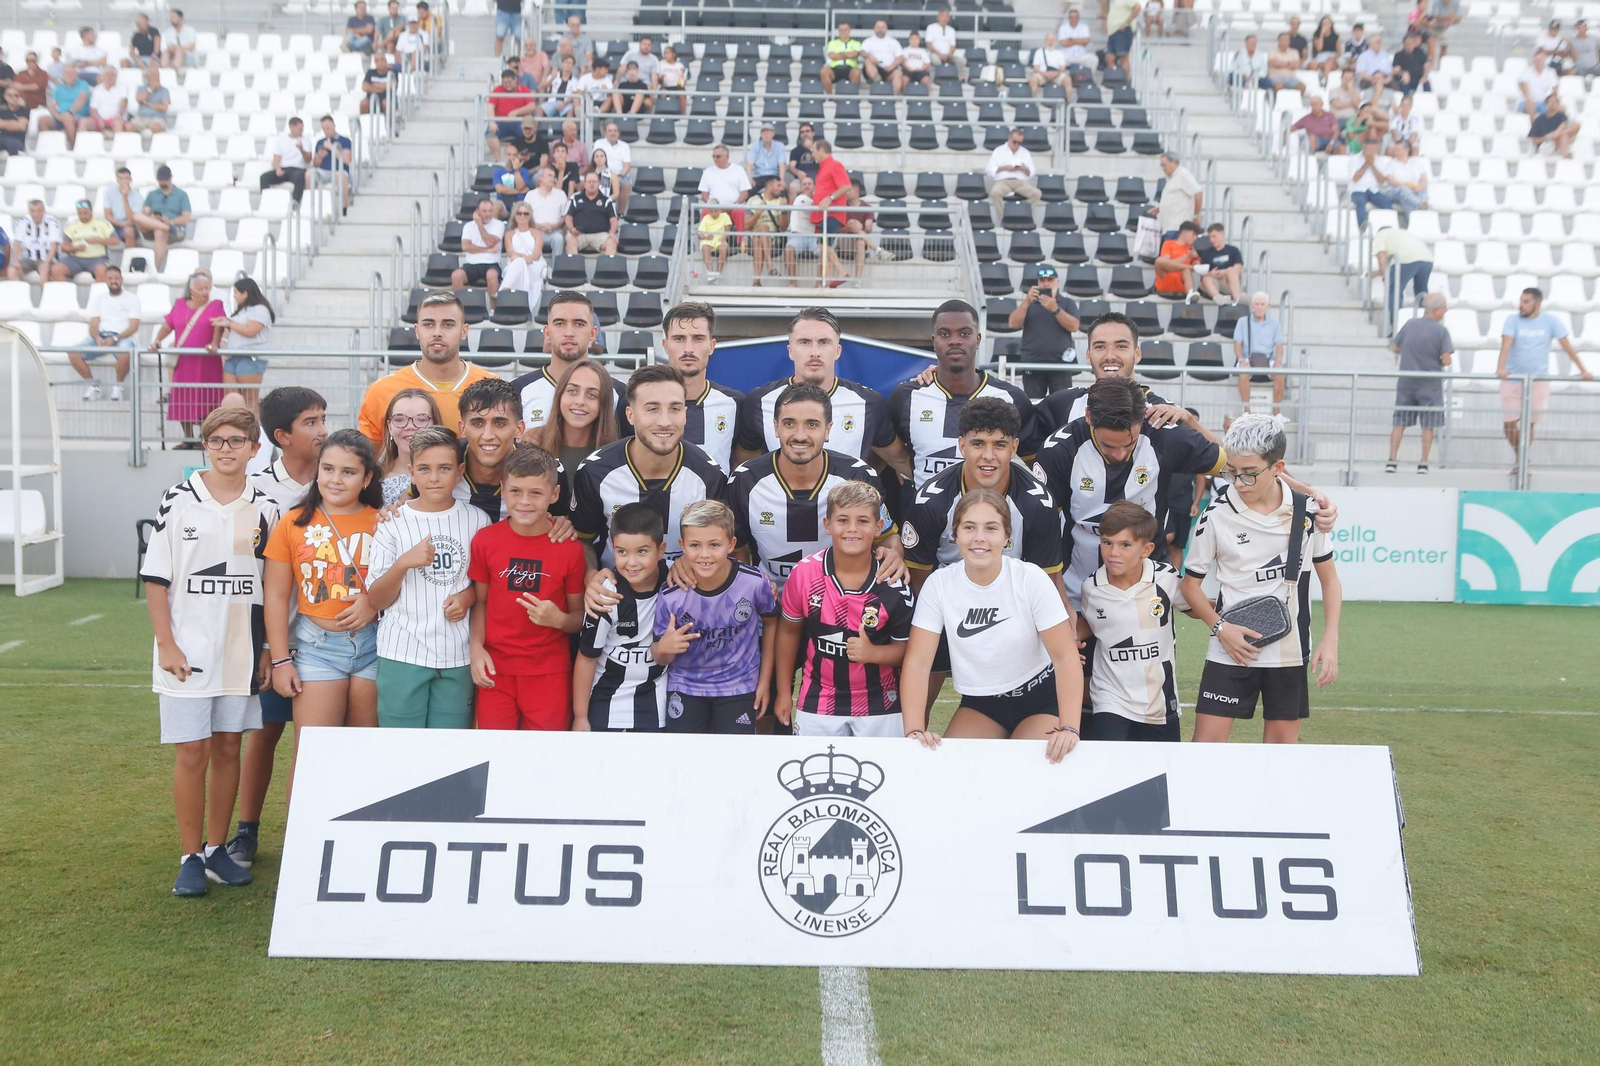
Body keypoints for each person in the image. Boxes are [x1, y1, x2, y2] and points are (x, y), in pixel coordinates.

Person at [140, 405, 277, 897]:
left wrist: (265, 648)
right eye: (216, 440)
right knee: (192, 752)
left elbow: (270, 584)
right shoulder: (177, 499)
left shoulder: (265, 506)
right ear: (206, 445)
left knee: (227, 748)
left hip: (241, 653)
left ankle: (218, 849)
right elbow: (157, 578)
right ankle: (190, 856)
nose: (225, 448)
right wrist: (166, 643)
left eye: (236, 441)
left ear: (254, 449)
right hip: (187, 653)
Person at [1182, 415, 1341, 743]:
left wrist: (1331, 638)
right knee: (1203, 754)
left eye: (1250, 474)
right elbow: (1190, 586)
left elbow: (1330, 580)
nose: (1239, 483)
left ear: (1278, 467)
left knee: (1280, 757)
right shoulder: (1215, 514)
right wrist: (1220, 628)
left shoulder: (1309, 513)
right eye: (1232, 472)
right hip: (1230, 650)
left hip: (1290, 652)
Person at [222, 387, 328, 869]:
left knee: (324, 742)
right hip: (275, 637)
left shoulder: (339, 476)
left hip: (331, 637)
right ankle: (246, 831)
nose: (322, 430)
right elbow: (252, 571)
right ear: (282, 436)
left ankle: (321, 832)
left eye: (324, 419)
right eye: (311, 422)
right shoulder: (258, 488)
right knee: (264, 732)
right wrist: (266, 644)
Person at [899, 488, 1081, 760]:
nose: (979, 538)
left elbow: (1065, 657)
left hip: (1039, 701)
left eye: (991, 528)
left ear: (1007, 536)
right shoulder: (939, 584)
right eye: (969, 527)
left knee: (1025, 771)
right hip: (981, 705)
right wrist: (913, 731)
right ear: (955, 534)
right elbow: (917, 663)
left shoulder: (1029, 579)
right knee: (952, 772)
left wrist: (1069, 728)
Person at [264, 430, 384, 809]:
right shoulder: (293, 523)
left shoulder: (385, 521)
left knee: (367, 752)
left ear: (367, 479)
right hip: (316, 649)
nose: (335, 479)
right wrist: (281, 659)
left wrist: (374, 604)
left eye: (349, 472)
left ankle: (360, 844)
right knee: (312, 753)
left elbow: (400, 587)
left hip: (374, 646)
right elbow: (277, 595)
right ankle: (301, 851)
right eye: (328, 468)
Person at [1034, 375, 1223, 612]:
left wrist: (1190, 421)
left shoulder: (1167, 436)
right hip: (1076, 593)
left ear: (1143, 417)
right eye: (1109, 446)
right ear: (1089, 417)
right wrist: (1062, 604)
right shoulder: (1059, 450)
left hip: (1149, 591)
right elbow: (1043, 536)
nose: (1121, 455)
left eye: (1129, 444)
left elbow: (1237, 466)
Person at [364, 425, 489, 730]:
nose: (434, 477)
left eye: (444, 468)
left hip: (456, 656)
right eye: (424, 469)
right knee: (401, 750)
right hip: (402, 654)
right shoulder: (393, 522)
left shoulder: (477, 520)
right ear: (411, 472)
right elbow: (376, 599)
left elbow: (483, 587)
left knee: (449, 752)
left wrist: (466, 596)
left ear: (459, 471)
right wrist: (403, 564)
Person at [728, 382, 901, 592]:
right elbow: (735, 548)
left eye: (812, 424)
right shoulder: (745, 480)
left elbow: (887, 537)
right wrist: (753, 587)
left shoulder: (858, 476)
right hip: (773, 603)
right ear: (776, 427)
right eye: (789, 423)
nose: (800, 435)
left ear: (827, 429)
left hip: (839, 603)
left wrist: (893, 554)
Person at [774, 481, 914, 736]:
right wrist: (784, 692)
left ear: (878, 526)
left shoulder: (894, 582)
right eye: (843, 520)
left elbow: (908, 649)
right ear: (828, 525)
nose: (852, 529)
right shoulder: (804, 574)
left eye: (862, 521)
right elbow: (788, 633)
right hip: (818, 698)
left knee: (882, 775)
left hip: (881, 702)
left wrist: (873, 654)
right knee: (814, 773)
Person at [573, 365, 729, 567]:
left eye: (675, 409)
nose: (664, 421)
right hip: (616, 592)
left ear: (685, 413)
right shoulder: (594, 472)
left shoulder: (710, 476)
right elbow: (582, 540)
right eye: (652, 409)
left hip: (687, 592)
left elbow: (720, 547)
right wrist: (591, 576)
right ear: (630, 415)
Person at [651, 500, 777, 734]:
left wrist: (764, 682)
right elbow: (659, 654)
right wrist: (664, 649)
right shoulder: (671, 594)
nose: (705, 554)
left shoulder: (754, 582)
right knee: (686, 759)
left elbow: (771, 623)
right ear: (682, 545)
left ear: (731, 544)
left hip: (739, 686)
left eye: (714, 545)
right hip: (686, 686)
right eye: (695, 545)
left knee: (734, 760)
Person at [735, 307, 909, 471]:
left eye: (824, 342)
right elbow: (743, 465)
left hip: (846, 503)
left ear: (838, 351)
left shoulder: (869, 403)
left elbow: (899, 460)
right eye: (804, 342)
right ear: (790, 351)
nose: (815, 352)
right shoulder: (759, 401)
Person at [1077, 501, 1183, 741]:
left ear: (1146, 550)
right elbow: (1090, 625)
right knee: (1110, 768)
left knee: (1160, 772)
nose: (1113, 553)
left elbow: (1194, 607)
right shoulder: (1092, 588)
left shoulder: (1165, 578)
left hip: (1159, 703)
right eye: (1107, 543)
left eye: (1125, 545)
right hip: (1110, 699)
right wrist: (1068, 640)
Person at [574, 503, 670, 731]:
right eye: (622, 552)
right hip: (607, 700)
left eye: (642, 551)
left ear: (661, 550)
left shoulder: (675, 584)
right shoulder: (606, 594)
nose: (632, 562)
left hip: (657, 700)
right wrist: (580, 716)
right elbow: (586, 658)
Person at [357, 291, 499, 445]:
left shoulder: (491, 387)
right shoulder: (382, 390)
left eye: (448, 325)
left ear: (464, 331)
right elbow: (365, 461)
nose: (437, 333)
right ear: (417, 331)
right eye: (428, 325)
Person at [1497, 287, 1592, 474]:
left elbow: (1568, 347)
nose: (1521, 305)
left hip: (1538, 380)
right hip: (1514, 380)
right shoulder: (1512, 320)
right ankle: (1523, 456)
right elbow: (1506, 344)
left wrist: (1583, 370)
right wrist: (1500, 367)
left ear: (1537, 303)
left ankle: (1520, 462)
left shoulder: (1551, 321)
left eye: (1526, 302)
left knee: (1529, 424)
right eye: (1521, 301)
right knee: (1509, 424)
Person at [511, 290, 629, 433]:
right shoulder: (517, 390)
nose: (569, 333)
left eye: (579, 324)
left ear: (593, 334)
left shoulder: (618, 393)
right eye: (560, 323)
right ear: (547, 333)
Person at [152, 271, 226, 443]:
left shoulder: (216, 304)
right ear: (191, 290)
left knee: (207, 397)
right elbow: (167, 326)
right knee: (183, 397)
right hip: (184, 362)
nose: (205, 291)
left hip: (206, 361)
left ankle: (203, 436)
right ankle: (187, 438)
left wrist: (215, 344)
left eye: (207, 287)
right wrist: (157, 340)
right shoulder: (179, 304)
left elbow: (218, 326)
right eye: (200, 288)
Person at [1386, 292, 1452, 474]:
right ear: (1437, 310)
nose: (1445, 312)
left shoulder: (1409, 325)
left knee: (1399, 423)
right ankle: (1423, 462)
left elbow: (1396, 347)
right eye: (1444, 308)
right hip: (1430, 385)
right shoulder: (1441, 331)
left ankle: (1392, 460)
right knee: (1428, 425)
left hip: (1406, 382)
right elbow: (1446, 360)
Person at [529, 358, 621, 477]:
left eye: (591, 395)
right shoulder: (533, 442)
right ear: (560, 395)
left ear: (603, 403)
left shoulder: (615, 456)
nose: (580, 401)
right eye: (572, 391)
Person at [67, 265, 140, 401]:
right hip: (101, 336)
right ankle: (94, 386)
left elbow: (134, 326)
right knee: (73, 353)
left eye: (116, 278)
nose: (113, 281)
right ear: (106, 280)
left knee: (126, 351)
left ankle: (118, 386)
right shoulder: (98, 299)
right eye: (110, 278)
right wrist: (97, 337)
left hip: (123, 337)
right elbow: (94, 324)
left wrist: (115, 338)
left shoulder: (132, 298)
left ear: (121, 280)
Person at [210, 277, 274, 408]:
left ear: (245, 293)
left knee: (250, 399)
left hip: (251, 358)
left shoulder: (260, 309)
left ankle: (253, 427)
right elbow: (238, 329)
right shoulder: (241, 311)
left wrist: (230, 323)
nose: (234, 296)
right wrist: (226, 323)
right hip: (233, 357)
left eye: (236, 292)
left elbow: (251, 331)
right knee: (231, 399)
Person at [377, 387, 441, 505]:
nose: (410, 426)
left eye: (421, 419)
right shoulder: (372, 479)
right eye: (400, 419)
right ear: (389, 427)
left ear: (435, 424)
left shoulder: (451, 477)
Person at [1232, 291, 1287, 416]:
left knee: (1280, 373)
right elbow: (1237, 344)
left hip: (1268, 359)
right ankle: (1246, 411)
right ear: (1252, 305)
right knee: (1243, 371)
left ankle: (1276, 412)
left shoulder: (1275, 324)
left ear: (1267, 306)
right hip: (1248, 358)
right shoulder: (1242, 322)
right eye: (1256, 304)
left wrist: (1278, 361)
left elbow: (1279, 346)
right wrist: (1241, 360)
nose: (1259, 307)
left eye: (1262, 304)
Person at [130, 165, 191, 271]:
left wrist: (171, 222)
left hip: (173, 229)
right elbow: (145, 213)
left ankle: (155, 268)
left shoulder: (181, 195)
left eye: (165, 180)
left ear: (170, 178)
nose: (163, 183)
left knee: (160, 231)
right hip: (153, 225)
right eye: (161, 180)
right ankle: (162, 226)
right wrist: (151, 216)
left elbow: (186, 217)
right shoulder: (152, 195)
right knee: (136, 216)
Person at [808, 139, 852, 286]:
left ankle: (841, 272)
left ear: (821, 150)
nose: (812, 154)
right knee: (825, 246)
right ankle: (827, 280)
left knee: (824, 245)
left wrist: (830, 198)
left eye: (814, 151)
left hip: (832, 213)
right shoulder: (824, 167)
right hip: (825, 214)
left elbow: (846, 186)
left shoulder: (834, 165)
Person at [1372, 224, 1432, 327]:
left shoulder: (1380, 235)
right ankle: (1426, 324)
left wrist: (1385, 277)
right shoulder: (1403, 233)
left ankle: (1396, 326)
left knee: (1394, 291)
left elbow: (1382, 258)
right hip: (1427, 259)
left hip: (1406, 259)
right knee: (1421, 292)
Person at [451, 198, 505, 309]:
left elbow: (490, 241)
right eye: (484, 211)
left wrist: (480, 225)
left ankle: (494, 310)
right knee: (456, 275)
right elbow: (465, 246)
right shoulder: (469, 226)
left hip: (491, 263)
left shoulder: (498, 224)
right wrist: (488, 250)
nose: (488, 214)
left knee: (492, 275)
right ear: (477, 211)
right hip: (471, 264)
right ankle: (460, 310)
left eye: (490, 211)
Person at [55, 198, 120, 282]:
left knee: (102, 272)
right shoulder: (71, 225)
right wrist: (74, 248)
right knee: (56, 270)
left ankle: (98, 294)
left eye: (85, 213)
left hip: (97, 258)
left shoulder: (102, 223)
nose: (83, 216)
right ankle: (66, 294)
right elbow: (64, 247)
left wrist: (98, 241)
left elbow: (116, 241)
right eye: (80, 213)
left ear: (91, 210)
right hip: (75, 258)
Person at [698, 143, 752, 243]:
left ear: (727, 156)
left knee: (740, 212)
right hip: (715, 208)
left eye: (718, 156)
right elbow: (704, 194)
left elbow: (745, 193)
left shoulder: (738, 170)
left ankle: (741, 244)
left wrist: (734, 205)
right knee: (705, 212)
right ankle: (708, 242)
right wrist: (714, 206)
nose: (715, 159)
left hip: (734, 206)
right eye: (713, 156)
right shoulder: (708, 172)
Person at [985, 127, 1042, 215]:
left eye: (1019, 143)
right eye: (1014, 142)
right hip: (1003, 181)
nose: (1016, 145)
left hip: (1020, 182)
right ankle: (1003, 217)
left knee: (1037, 194)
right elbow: (988, 170)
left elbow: (1032, 172)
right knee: (995, 192)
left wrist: (1024, 169)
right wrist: (1004, 168)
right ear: (1009, 138)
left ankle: (1022, 214)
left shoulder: (1025, 152)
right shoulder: (999, 151)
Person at [565, 169, 619, 256]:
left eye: (594, 181)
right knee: (570, 241)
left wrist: (612, 232)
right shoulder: (575, 198)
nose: (591, 184)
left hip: (600, 235)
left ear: (599, 184)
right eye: (589, 181)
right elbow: (568, 217)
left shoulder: (607, 200)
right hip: (579, 235)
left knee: (612, 242)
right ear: (585, 184)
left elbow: (613, 219)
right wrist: (572, 229)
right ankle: (574, 269)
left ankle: (607, 269)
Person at [746, 174, 788, 285]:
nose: (781, 188)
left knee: (760, 237)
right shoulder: (753, 200)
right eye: (778, 185)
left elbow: (783, 228)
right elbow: (746, 225)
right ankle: (770, 265)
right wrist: (758, 212)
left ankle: (756, 281)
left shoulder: (780, 201)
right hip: (753, 234)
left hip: (772, 238)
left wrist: (784, 211)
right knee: (763, 229)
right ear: (770, 186)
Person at [499, 202, 547, 299]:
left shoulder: (536, 233)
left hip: (533, 265)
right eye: (519, 213)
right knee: (519, 262)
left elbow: (537, 255)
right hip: (514, 265)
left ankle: (503, 292)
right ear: (514, 216)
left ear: (530, 217)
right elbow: (510, 253)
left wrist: (521, 257)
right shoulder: (509, 234)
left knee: (519, 261)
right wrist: (523, 258)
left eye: (525, 213)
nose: (522, 216)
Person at [261, 117, 312, 204]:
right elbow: (276, 157)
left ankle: (295, 204)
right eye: (299, 129)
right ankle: (267, 202)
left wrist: (301, 150)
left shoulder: (306, 140)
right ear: (292, 127)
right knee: (264, 177)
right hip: (284, 169)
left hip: (298, 169)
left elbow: (308, 160)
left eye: (302, 128)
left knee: (300, 177)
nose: (301, 131)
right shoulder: (282, 140)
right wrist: (277, 169)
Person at [7, 200, 61, 281]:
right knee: (12, 270)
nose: (36, 214)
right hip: (28, 258)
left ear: (44, 210)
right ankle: (19, 293)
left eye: (39, 211)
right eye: (33, 211)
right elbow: (17, 244)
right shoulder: (22, 221)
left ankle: (44, 293)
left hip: (45, 258)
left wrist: (46, 262)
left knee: (44, 270)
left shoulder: (52, 222)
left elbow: (54, 246)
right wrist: (15, 261)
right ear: (29, 211)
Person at [1152, 151, 1202, 239]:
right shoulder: (1171, 178)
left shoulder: (1183, 174)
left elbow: (1198, 192)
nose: (1163, 168)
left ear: (1174, 162)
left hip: (1177, 228)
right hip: (1168, 227)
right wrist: (1160, 208)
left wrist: (1196, 216)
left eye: (1164, 165)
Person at [311, 114, 355, 211]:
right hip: (324, 171)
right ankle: (310, 205)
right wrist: (319, 156)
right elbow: (315, 164)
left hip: (339, 171)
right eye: (324, 129)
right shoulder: (320, 142)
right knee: (309, 175)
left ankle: (344, 208)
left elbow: (347, 160)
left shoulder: (345, 141)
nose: (326, 131)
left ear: (333, 126)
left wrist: (331, 147)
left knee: (340, 176)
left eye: (328, 128)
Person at [40, 65, 90, 145]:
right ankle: (48, 146)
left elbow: (82, 98)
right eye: (67, 73)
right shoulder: (59, 88)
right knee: (42, 120)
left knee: (68, 118)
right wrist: (58, 116)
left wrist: (70, 112)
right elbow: (52, 105)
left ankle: (74, 147)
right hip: (62, 116)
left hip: (78, 116)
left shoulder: (83, 84)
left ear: (76, 74)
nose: (69, 75)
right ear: (63, 75)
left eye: (72, 73)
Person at [1196, 222, 1244, 303]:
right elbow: (1202, 274)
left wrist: (1224, 272)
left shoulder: (1233, 250)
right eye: (1209, 237)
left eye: (1214, 236)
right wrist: (1211, 274)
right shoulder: (1206, 253)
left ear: (1221, 234)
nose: (1211, 240)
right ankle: (1219, 298)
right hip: (1214, 283)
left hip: (1228, 282)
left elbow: (1238, 270)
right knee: (1206, 278)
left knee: (1231, 270)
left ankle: (1237, 299)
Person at [784, 175, 819, 284]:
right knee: (789, 249)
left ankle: (819, 283)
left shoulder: (819, 199)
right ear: (800, 188)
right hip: (798, 235)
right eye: (804, 184)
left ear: (814, 186)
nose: (807, 186)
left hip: (814, 236)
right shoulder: (799, 199)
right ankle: (793, 283)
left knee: (825, 252)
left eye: (810, 184)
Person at [523, 165, 570, 246]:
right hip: (534, 230)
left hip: (555, 231)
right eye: (549, 176)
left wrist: (555, 225)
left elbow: (565, 216)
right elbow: (525, 215)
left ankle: (556, 259)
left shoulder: (561, 194)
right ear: (540, 178)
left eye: (553, 176)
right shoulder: (530, 195)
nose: (552, 178)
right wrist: (538, 226)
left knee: (559, 239)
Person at [1154, 221, 1201, 301]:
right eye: (1193, 235)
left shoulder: (1191, 250)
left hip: (1181, 283)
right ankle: (1189, 268)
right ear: (1184, 233)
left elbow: (1198, 265)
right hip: (1166, 279)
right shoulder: (1168, 244)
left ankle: (1190, 293)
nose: (1195, 238)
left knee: (1186, 270)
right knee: (1159, 261)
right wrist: (1186, 258)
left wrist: (1196, 262)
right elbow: (1165, 264)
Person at [592, 121, 632, 215]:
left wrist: (620, 177)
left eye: (615, 131)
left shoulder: (624, 146)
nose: (612, 133)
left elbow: (627, 165)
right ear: (605, 133)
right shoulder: (599, 143)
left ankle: (619, 213)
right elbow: (595, 160)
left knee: (626, 184)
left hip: (620, 176)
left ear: (618, 133)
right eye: (610, 131)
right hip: (602, 174)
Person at [1379, 139, 1428, 214]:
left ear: (1406, 150)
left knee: (1419, 192)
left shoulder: (1416, 163)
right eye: (1395, 150)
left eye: (1398, 150)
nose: (1396, 152)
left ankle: (1414, 217)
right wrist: (1408, 186)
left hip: (1412, 191)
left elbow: (1424, 180)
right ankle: (1420, 204)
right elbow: (1392, 181)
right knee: (1402, 190)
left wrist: (1417, 188)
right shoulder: (1391, 163)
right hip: (1395, 191)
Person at [1528, 92, 1582, 157]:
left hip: (1558, 142)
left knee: (1567, 132)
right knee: (1564, 135)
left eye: (1555, 102)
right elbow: (1534, 140)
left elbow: (1561, 128)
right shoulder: (1539, 120)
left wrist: (1554, 135)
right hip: (1545, 145)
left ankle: (1565, 154)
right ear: (1546, 104)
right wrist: (1546, 138)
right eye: (1551, 102)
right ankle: (1566, 155)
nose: (1553, 104)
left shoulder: (1561, 116)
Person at [86, 67, 130, 134]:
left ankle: (119, 144)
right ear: (102, 76)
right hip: (99, 119)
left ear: (116, 76)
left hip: (116, 118)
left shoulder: (122, 87)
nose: (109, 77)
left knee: (118, 123)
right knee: (84, 122)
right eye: (107, 74)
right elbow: (93, 109)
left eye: (112, 74)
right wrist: (99, 120)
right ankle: (77, 144)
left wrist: (118, 115)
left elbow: (124, 102)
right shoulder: (97, 89)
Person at [130, 63, 171, 134]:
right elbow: (139, 99)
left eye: (156, 75)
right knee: (129, 126)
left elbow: (164, 107)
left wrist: (147, 103)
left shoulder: (164, 90)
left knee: (156, 127)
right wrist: (150, 90)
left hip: (157, 118)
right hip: (141, 118)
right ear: (147, 77)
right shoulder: (141, 88)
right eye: (153, 75)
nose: (155, 78)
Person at [822, 21, 862, 93]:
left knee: (857, 72)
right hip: (835, 68)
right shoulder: (832, 43)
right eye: (841, 30)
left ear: (850, 30)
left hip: (850, 68)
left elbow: (855, 54)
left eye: (845, 29)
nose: (843, 32)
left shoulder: (856, 43)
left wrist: (840, 54)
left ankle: (853, 98)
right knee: (824, 71)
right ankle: (829, 97)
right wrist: (848, 54)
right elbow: (832, 56)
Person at [697, 204, 732, 280]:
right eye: (711, 212)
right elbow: (700, 234)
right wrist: (706, 237)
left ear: (719, 210)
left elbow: (727, 230)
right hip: (709, 239)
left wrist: (724, 238)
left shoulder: (725, 216)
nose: (714, 214)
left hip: (720, 238)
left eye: (716, 211)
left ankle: (718, 273)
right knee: (705, 247)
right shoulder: (706, 218)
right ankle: (710, 273)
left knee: (723, 248)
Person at [746, 122, 786, 187]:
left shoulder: (780, 146)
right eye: (764, 132)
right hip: (759, 177)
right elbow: (749, 164)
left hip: (774, 177)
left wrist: (781, 180)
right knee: (749, 191)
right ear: (760, 135)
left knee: (782, 191)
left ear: (773, 134)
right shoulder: (755, 146)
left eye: (769, 131)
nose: (766, 134)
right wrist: (749, 179)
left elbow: (782, 164)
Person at [1106, 0, 1139, 73]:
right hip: (1112, 32)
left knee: (1123, 57)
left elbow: (1137, 7)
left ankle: (1124, 82)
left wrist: (1127, 22)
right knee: (1109, 58)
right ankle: (1116, 79)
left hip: (1122, 31)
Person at [654, 43, 688, 115]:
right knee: (663, 92)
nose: (665, 55)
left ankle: (683, 115)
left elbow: (682, 78)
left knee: (682, 93)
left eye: (668, 53)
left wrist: (681, 83)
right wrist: (661, 78)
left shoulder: (679, 65)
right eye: (664, 53)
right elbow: (659, 80)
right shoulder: (661, 64)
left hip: (677, 87)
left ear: (673, 54)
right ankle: (661, 114)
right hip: (665, 86)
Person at [360, 51, 393, 117]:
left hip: (387, 98)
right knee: (363, 104)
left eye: (381, 59)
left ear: (385, 61)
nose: (379, 62)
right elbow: (365, 87)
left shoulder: (391, 73)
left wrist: (373, 86)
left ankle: (389, 125)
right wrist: (382, 88)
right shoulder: (370, 72)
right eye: (377, 60)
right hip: (371, 99)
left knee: (386, 103)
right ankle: (365, 123)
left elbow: (390, 85)